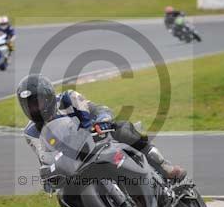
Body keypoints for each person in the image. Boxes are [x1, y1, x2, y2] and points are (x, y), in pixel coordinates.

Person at [16, 74, 187, 182]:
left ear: (48, 97)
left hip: (98, 139)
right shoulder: (30, 132)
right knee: (64, 198)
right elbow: (44, 158)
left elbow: (100, 110)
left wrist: (101, 121)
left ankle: (164, 166)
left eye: (37, 102)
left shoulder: (69, 98)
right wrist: (47, 175)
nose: (34, 109)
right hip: (73, 161)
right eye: (29, 105)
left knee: (121, 128)